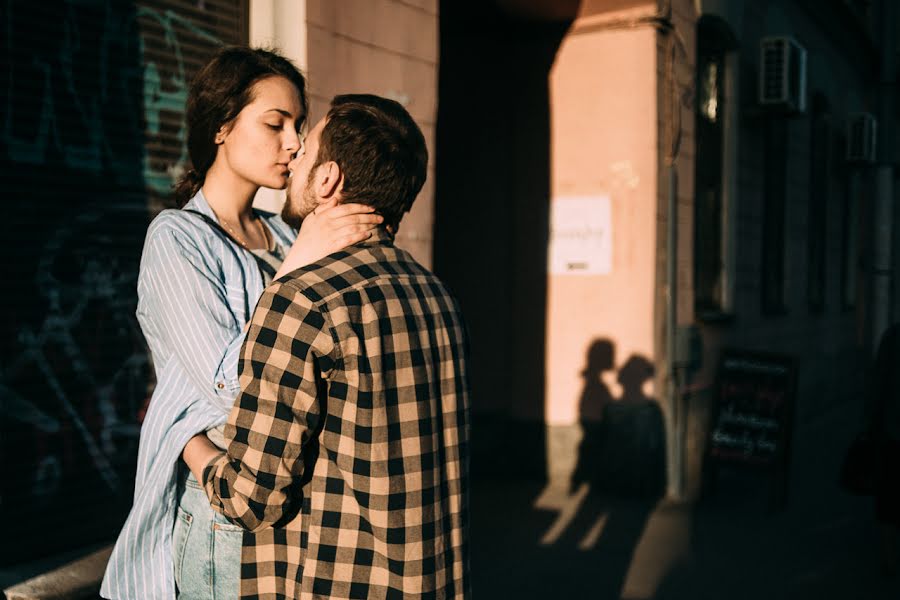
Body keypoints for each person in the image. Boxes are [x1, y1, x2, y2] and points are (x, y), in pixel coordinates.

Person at [101, 48, 382, 600]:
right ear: (221, 128)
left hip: (296, 500)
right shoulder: (177, 239)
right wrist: (303, 262)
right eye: (275, 123)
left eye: (299, 126)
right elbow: (230, 384)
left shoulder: (283, 236)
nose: (295, 143)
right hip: (221, 515)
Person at [182, 94, 472, 598]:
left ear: (328, 180)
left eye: (306, 147)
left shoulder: (300, 300)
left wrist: (189, 445)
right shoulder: (437, 294)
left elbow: (252, 499)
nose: (293, 158)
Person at [871, 323, 900, 576]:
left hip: (894, 432)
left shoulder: (893, 336)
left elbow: (879, 383)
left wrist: (871, 425)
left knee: (889, 497)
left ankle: (889, 559)